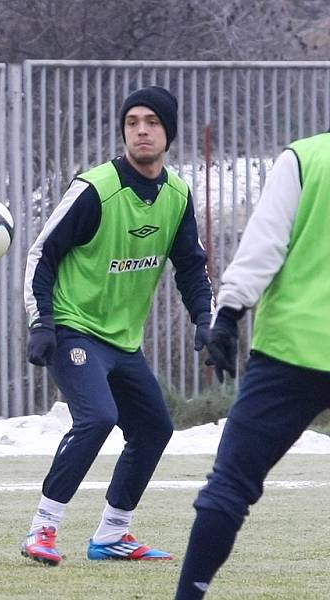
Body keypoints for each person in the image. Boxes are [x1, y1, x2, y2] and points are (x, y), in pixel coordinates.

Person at [21, 86, 214, 566]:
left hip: (122, 341)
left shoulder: (176, 195)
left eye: (151, 121)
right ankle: (42, 529)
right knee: (98, 418)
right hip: (72, 326)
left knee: (153, 428)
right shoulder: (95, 189)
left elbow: (190, 266)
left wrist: (206, 319)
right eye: (132, 122)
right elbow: (41, 254)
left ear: (168, 131)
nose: (141, 129)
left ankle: (112, 535)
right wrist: (41, 321)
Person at [174, 130, 330, 598]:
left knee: (231, 485)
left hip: (293, 351)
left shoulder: (307, 158)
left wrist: (229, 314)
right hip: (290, 351)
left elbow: (264, 246)